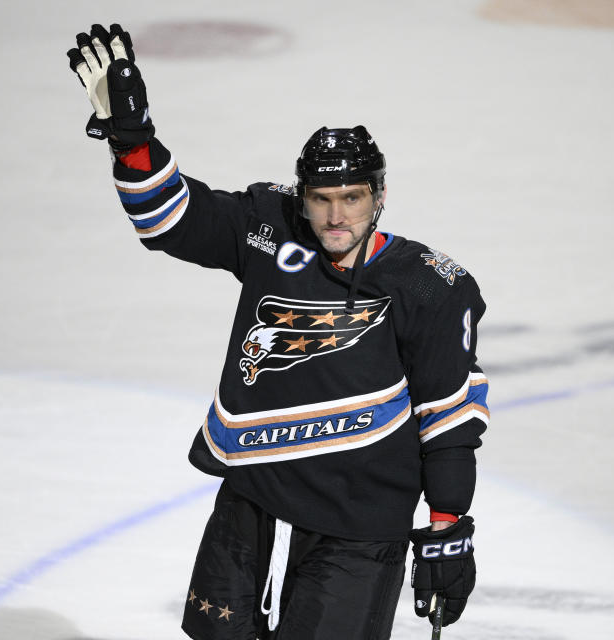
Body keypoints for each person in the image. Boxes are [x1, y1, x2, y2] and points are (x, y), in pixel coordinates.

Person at [67, 23, 490, 640]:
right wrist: (134, 139)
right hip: (255, 495)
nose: (335, 215)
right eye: (321, 199)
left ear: (379, 195)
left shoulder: (429, 285)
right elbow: (171, 219)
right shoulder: (271, 226)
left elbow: (447, 416)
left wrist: (449, 527)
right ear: (303, 195)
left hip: (359, 518)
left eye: (351, 197)